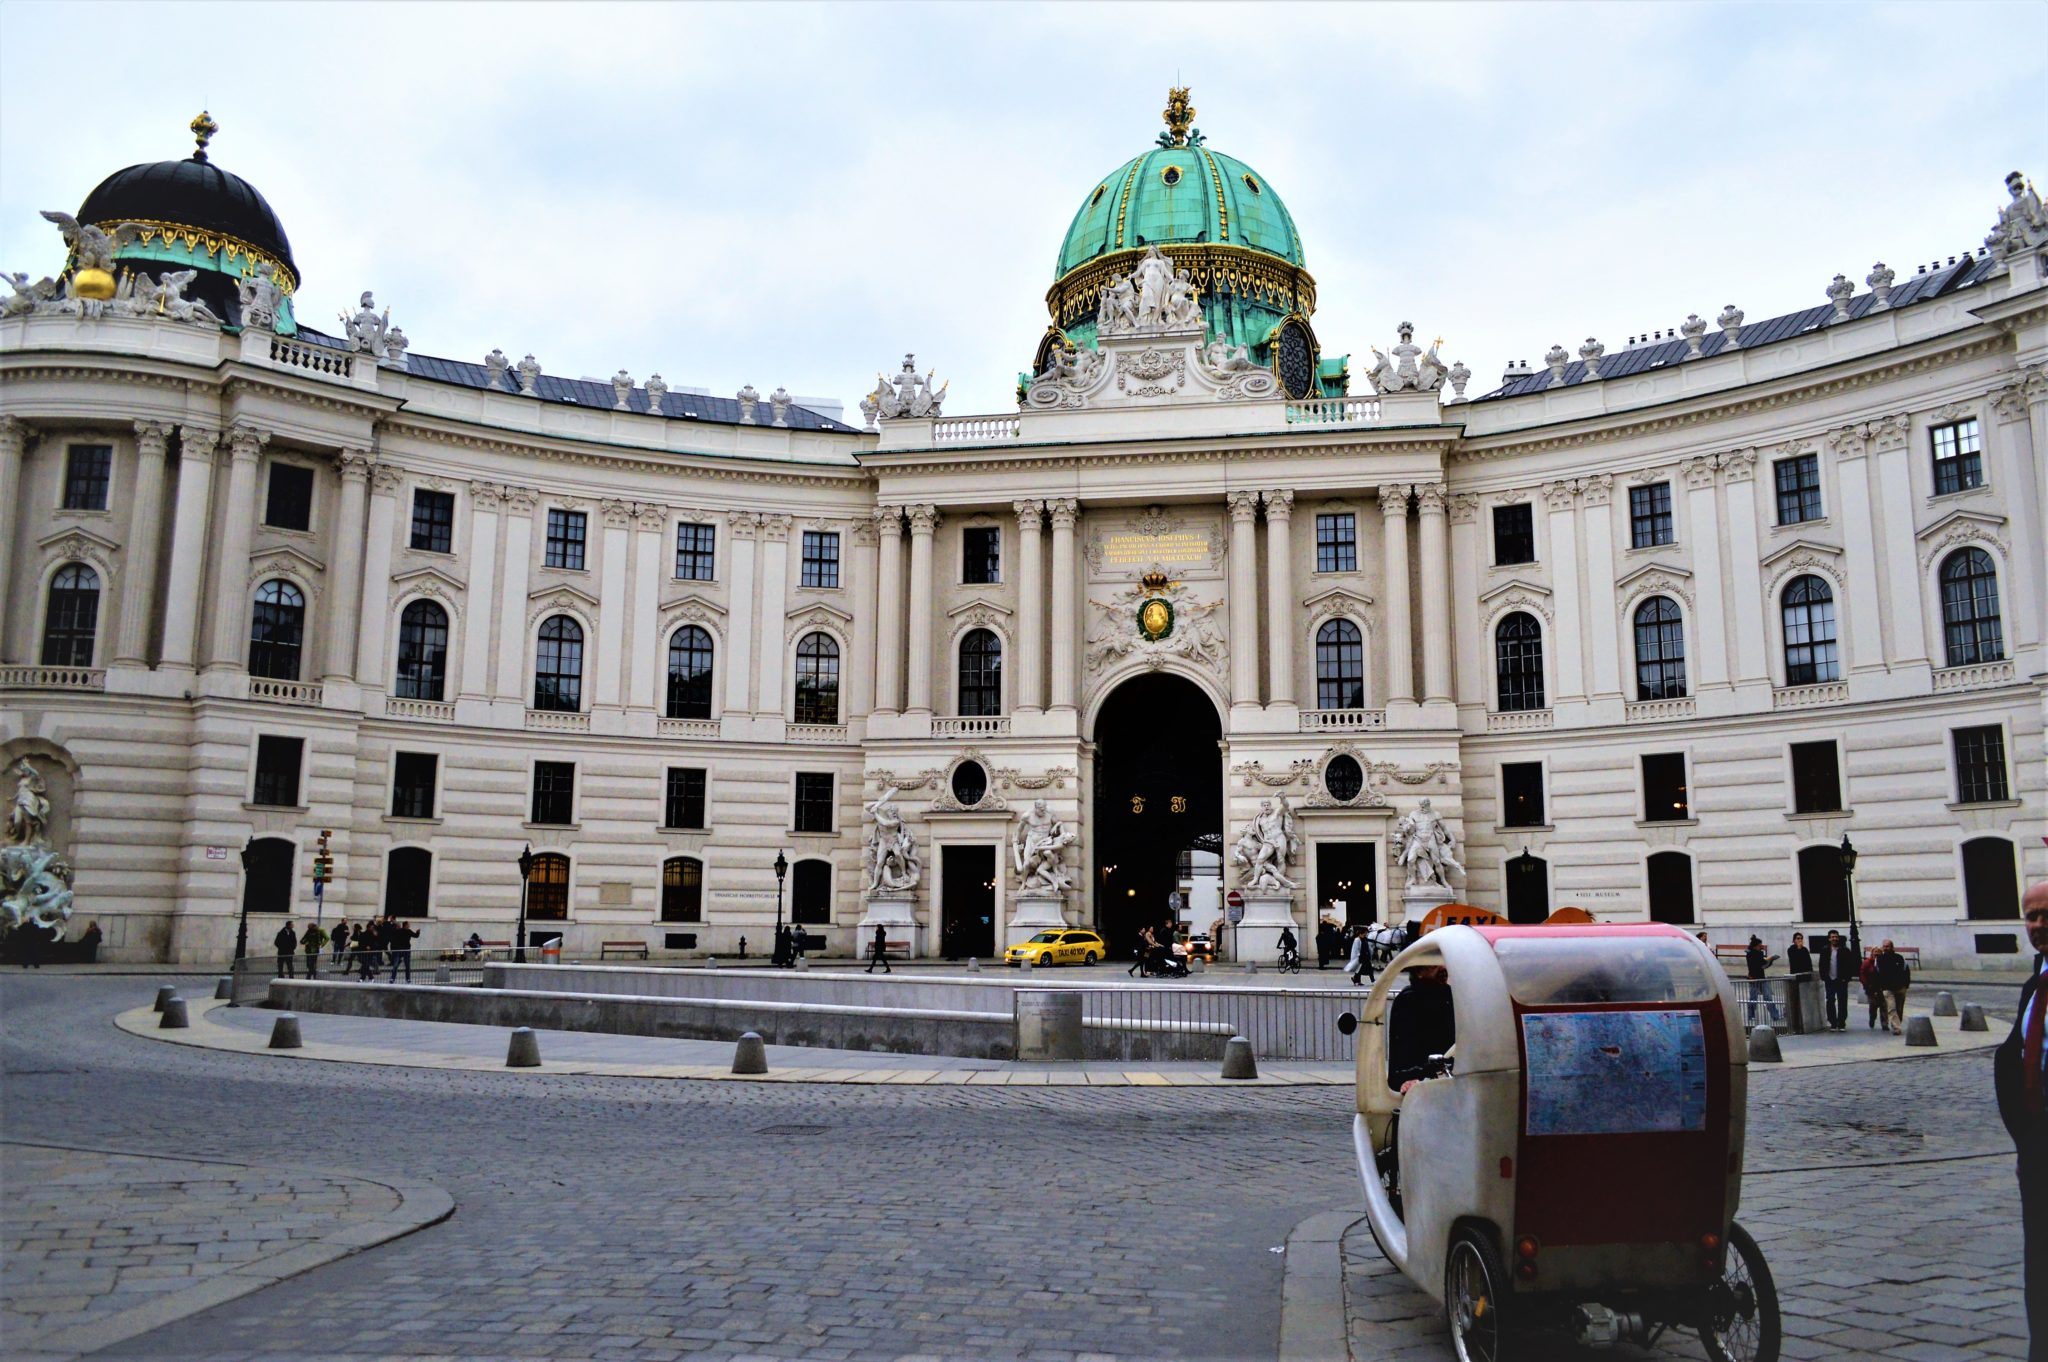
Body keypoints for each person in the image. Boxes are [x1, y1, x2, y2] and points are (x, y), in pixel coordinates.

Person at [1994, 880, 2048, 1357]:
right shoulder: (2036, 985)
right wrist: (2027, 1138)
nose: (2038, 924)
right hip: (2038, 1145)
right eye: (2030, 916)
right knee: (2041, 1263)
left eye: (2045, 914)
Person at [1387, 965, 1456, 1092]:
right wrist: (1410, 1076)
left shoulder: (1450, 995)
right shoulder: (1409, 999)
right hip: (1425, 1077)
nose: (1442, 968)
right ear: (1419, 972)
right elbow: (1404, 1047)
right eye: (1433, 966)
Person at [1817, 929, 1856, 1031]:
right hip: (1830, 979)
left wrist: (1846, 978)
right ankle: (1833, 1023)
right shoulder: (1825, 950)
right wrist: (1824, 977)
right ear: (1829, 938)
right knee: (1830, 1000)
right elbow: (1821, 964)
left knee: (1842, 1001)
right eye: (1832, 937)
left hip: (1841, 980)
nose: (1834, 938)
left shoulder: (1844, 950)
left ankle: (1842, 1023)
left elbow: (1850, 965)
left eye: (1836, 937)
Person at [1744, 935, 1782, 1028]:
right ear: (1755, 946)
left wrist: (1770, 960)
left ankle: (1774, 1016)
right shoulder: (1753, 954)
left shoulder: (1753, 953)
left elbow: (1763, 965)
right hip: (1755, 978)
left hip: (1759, 977)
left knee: (1767, 998)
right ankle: (1752, 1015)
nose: (1761, 946)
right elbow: (1761, 964)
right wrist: (1771, 959)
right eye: (1759, 945)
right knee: (1755, 998)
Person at [1874, 940, 1911, 1035]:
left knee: (1899, 1008)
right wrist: (1879, 987)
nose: (1885, 948)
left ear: (1892, 947)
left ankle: (1897, 1022)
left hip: (1900, 987)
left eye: (1887, 946)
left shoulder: (1899, 958)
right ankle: (1896, 1027)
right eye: (1884, 946)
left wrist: (1906, 985)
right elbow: (1877, 974)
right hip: (1887, 988)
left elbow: (1906, 971)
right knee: (1891, 1008)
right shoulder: (1879, 959)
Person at [1859, 947, 1884, 1030]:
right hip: (1871, 988)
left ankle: (1884, 1023)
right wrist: (1866, 984)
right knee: (1873, 1005)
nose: (1876, 954)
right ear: (1872, 953)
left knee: (1883, 1006)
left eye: (1878, 952)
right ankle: (1872, 1018)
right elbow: (1862, 974)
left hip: (1882, 987)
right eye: (1875, 952)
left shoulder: (1883, 962)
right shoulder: (1867, 962)